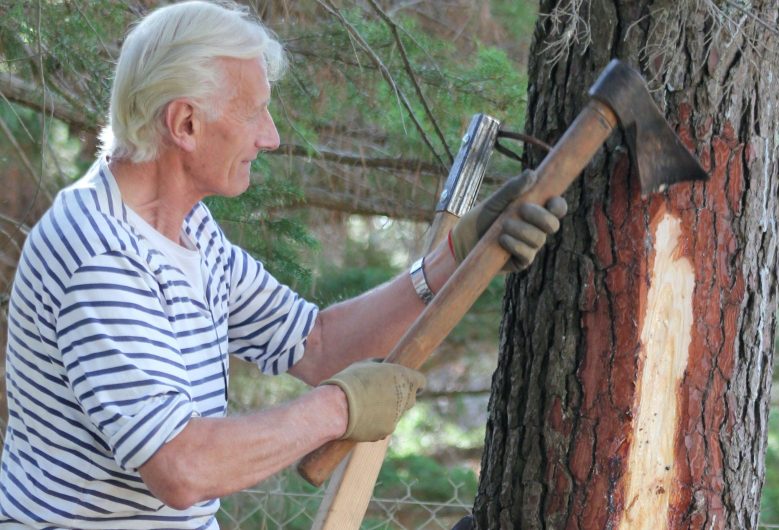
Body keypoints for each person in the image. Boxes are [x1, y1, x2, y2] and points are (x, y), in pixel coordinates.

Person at [0, 1, 566, 528]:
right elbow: (180, 467)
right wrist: (340, 409)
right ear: (186, 124)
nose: (270, 138)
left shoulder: (186, 229)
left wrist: (454, 259)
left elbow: (317, 343)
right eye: (255, 114)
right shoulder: (100, 254)